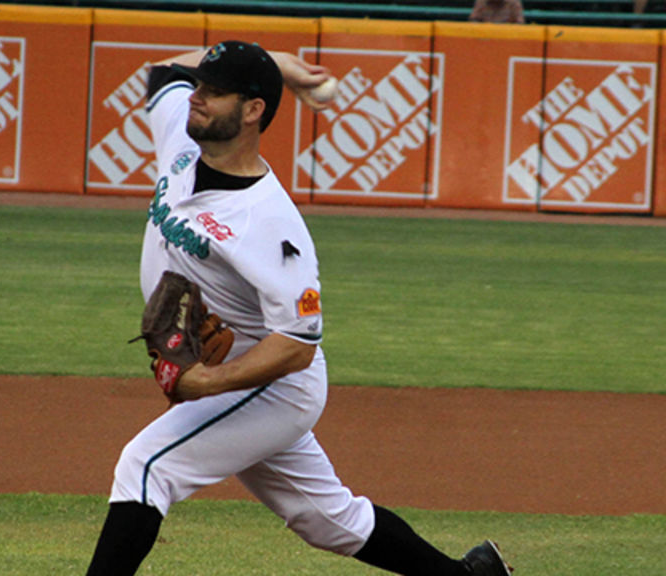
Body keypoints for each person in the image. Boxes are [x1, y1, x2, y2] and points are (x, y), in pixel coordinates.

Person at [84, 41, 514, 576]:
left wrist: (207, 384)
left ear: (252, 110)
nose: (196, 97)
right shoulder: (182, 139)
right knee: (328, 519)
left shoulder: (270, 223)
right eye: (200, 86)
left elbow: (297, 345)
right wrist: (278, 62)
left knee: (146, 467)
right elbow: (162, 74)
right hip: (238, 373)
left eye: (215, 92)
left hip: (272, 384)